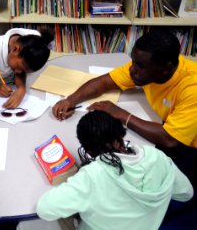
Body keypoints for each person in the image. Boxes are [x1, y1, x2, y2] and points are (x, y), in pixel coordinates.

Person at [51, 29, 197, 185]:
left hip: (189, 149)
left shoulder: (192, 88)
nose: (131, 69)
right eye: (133, 61)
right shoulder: (148, 65)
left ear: (166, 68)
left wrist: (121, 114)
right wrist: (71, 100)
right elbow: (105, 82)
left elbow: (170, 140)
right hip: (170, 127)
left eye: (139, 65)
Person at [34, 110, 193, 230]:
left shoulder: (91, 177)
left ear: (88, 152)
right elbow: (186, 193)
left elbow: (44, 209)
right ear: (121, 133)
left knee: (54, 219)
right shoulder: (158, 157)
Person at [0, 27, 53, 108]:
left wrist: (21, 89)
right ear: (15, 49)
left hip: (8, 83)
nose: (18, 72)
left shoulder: (36, 41)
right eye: (19, 67)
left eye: (24, 71)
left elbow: (22, 69)